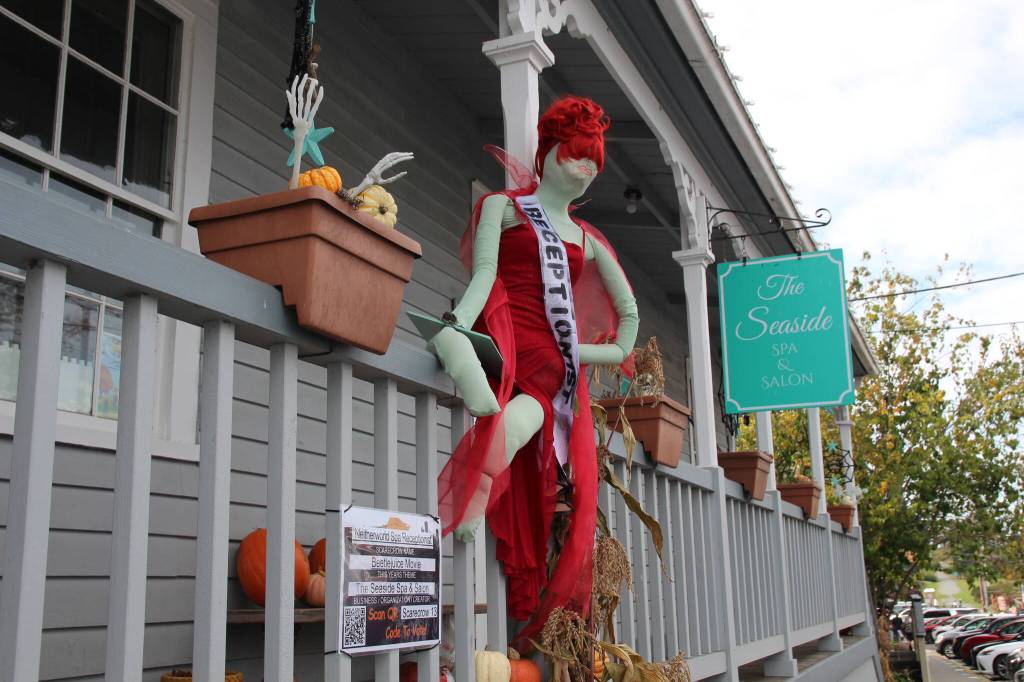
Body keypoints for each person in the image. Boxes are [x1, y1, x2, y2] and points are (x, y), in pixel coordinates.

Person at [431, 96, 638, 648]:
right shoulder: (503, 207)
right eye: (577, 155)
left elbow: (628, 324)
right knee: (460, 347)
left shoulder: (588, 241)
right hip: (505, 339)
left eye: (594, 162)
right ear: (549, 153)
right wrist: (459, 322)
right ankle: (471, 378)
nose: (586, 168)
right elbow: (483, 278)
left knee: (525, 417)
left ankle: (475, 492)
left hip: (552, 367)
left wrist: (583, 355)